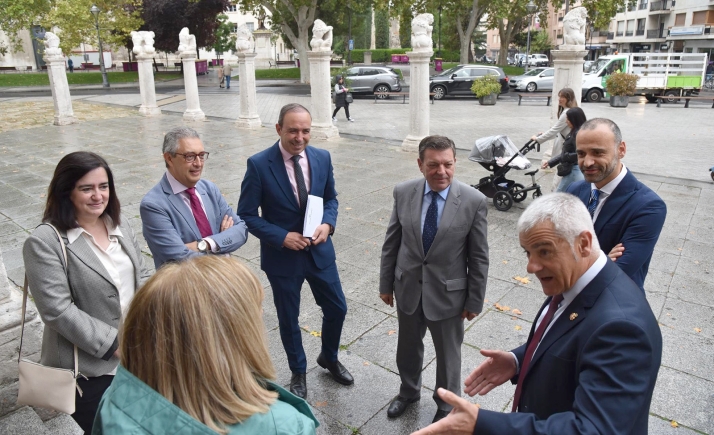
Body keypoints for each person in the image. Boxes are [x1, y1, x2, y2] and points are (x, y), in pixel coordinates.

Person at [412, 193, 663, 435]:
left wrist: (481, 425)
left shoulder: (621, 329)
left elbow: (593, 429)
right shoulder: (574, 281)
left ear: (583, 243)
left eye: (544, 251)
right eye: (527, 252)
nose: (531, 267)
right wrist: (519, 360)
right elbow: (568, 338)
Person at [93, 256, 319, 434]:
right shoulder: (284, 425)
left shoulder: (116, 400)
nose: (260, 316)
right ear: (228, 335)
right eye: (254, 311)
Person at [22, 151, 151, 433]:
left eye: (103, 187)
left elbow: (142, 274)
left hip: (139, 353)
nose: (98, 196)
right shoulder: (45, 241)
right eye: (87, 188)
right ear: (66, 191)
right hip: (90, 370)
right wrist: (115, 345)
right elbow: (56, 309)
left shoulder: (119, 223)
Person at [237, 103, 351, 399]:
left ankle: (329, 357)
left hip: (320, 252)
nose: (299, 137)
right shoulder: (259, 164)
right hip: (282, 257)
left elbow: (331, 199)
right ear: (278, 129)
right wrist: (281, 236)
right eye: (293, 130)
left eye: (305, 131)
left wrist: (328, 223)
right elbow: (247, 214)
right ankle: (298, 370)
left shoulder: (322, 158)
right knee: (289, 318)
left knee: (337, 307)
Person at [379, 135, 489, 424]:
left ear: (455, 163)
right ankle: (408, 391)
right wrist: (385, 283)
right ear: (420, 164)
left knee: (448, 355)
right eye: (433, 165)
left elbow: (478, 257)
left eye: (448, 164)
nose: (441, 171)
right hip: (407, 289)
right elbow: (392, 241)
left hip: (449, 296)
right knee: (407, 347)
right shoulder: (403, 192)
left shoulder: (473, 201)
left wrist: (474, 299)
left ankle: (446, 403)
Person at [567, 118, 666, 292]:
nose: (587, 162)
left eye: (597, 153)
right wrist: (603, 260)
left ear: (621, 150)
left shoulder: (649, 206)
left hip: (613, 307)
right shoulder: (574, 190)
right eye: (581, 154)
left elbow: (618, 274)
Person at [140, 126, 248, 269]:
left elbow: (241, 230)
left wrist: (205, 244)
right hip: (186, 289)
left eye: (201, 155)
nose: (198, 163)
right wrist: (223, 245)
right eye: (189, 157)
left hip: (223, 285)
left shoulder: (210, 189)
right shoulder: (153, 205)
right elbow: (181, 259)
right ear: (169, 158)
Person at [531, 88, 578, 192]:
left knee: (559, 180)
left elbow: (554, 130)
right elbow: (558, 132)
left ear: (568, 99)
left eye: (562, 97)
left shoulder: (566, 113)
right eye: (559, 96)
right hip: (566, 150)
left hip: (565, 150)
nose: (559, 99)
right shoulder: (569, 111)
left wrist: (538, 139)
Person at [543, 107, 587, 192]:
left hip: (573, 170)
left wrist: (565, 157)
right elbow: (566, 152)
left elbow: (581, 153)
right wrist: (551, 162)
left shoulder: (577, 135)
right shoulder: (574, 132)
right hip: (574, 169)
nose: (566, 121)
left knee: (558, 195)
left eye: (568, 119)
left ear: (574, 120)